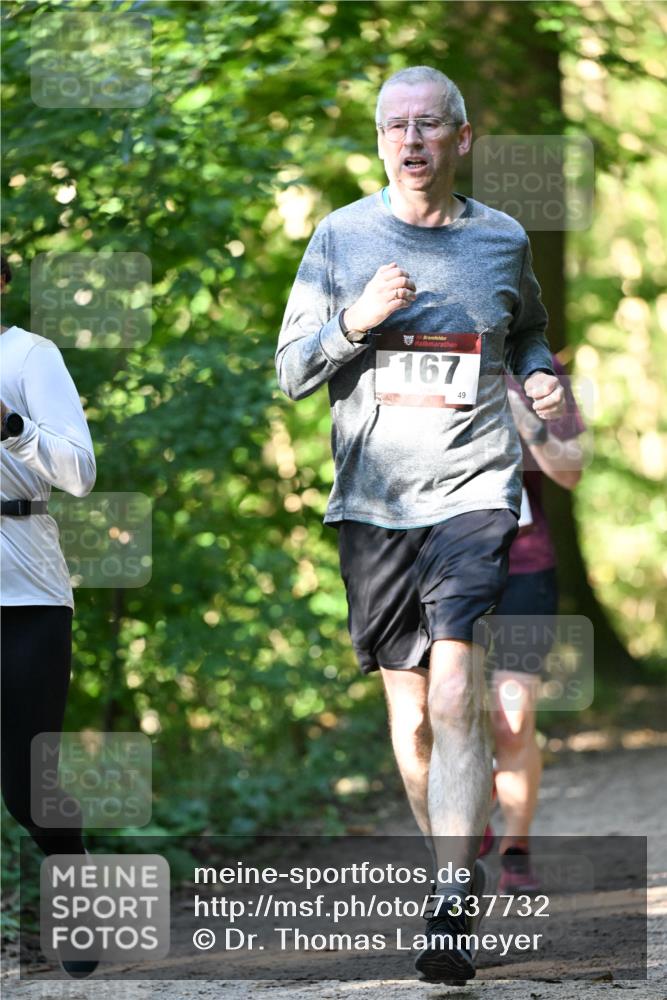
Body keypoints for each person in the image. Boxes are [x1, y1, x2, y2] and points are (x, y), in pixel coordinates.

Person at [275, 65, 566, 983]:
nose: (412, 139)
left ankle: (447, 904)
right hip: (373, 504)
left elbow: (527, 331)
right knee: (411, 722)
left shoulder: (501, 239)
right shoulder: (340, 238)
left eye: (430, 124)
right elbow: (290, 371)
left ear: (461, 138)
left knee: (453, 693)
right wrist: (356, 320)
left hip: (474, 492)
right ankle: (453, 860)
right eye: (396, 125)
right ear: (379, 141)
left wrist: (537, 372)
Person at [0, 253, 97, 977]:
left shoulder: (30, 356)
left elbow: (80, 474)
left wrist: (9, 423)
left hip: (26, 596)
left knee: (27, 785)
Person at [489, 355, 585, 892]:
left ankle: (516, 850)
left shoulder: (540, 373)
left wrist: (526, 418)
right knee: (444, 707)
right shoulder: (420, 348)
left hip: (525, 566)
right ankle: (464, 812)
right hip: (437, 565)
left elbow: (571, 471)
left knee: (511, 717)